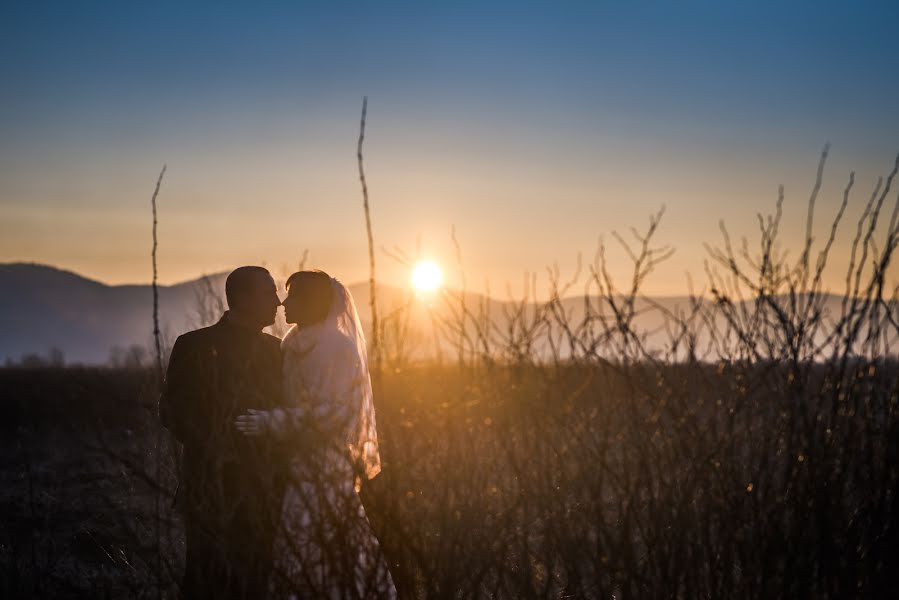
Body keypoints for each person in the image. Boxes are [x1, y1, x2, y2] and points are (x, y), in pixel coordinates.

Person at [235, 270, 396, 599]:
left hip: (326, 468)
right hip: (296, 466)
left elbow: (337, 413)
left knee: (323, 541)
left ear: (313, 303)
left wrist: (274, 423)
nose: (283, 303)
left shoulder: (338, 348)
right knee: (297, 542)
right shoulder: (292, 344)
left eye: (293, 296)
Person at [160, 266, 286, 599]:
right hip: (209, 490)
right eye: (269, 292)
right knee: (206, 581)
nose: (278, 302)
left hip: (265, 491)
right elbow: (173, 412)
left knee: (255, 583)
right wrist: (224, 447)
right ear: (242, 299)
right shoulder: (194, 346)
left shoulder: (278, 352)